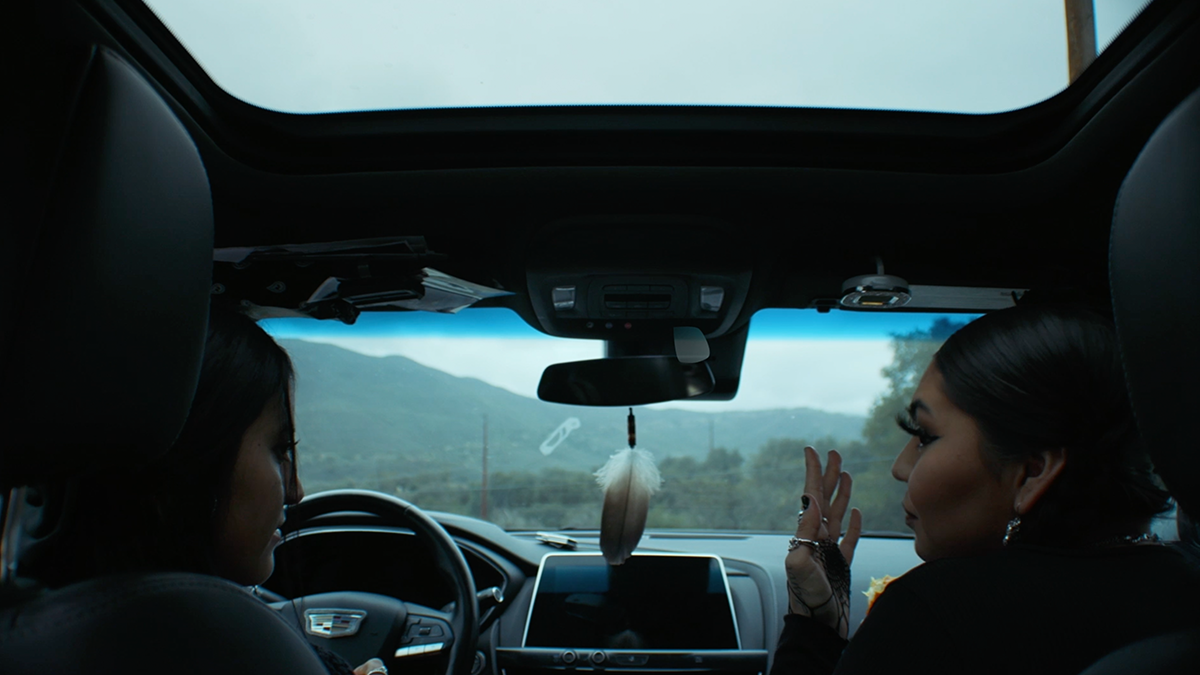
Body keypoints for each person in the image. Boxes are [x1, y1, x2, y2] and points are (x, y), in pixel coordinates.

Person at [771, 304, 1200, 675]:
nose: (901, 468)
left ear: (1032, 472)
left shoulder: (932, 614)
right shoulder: (1185, 584)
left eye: (925, 435)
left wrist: (812, 630)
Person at [27, 304, 386, 675]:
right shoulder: (232, 646)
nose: (296, 491)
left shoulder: (45, 623)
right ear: (191, 464)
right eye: (280, 451)